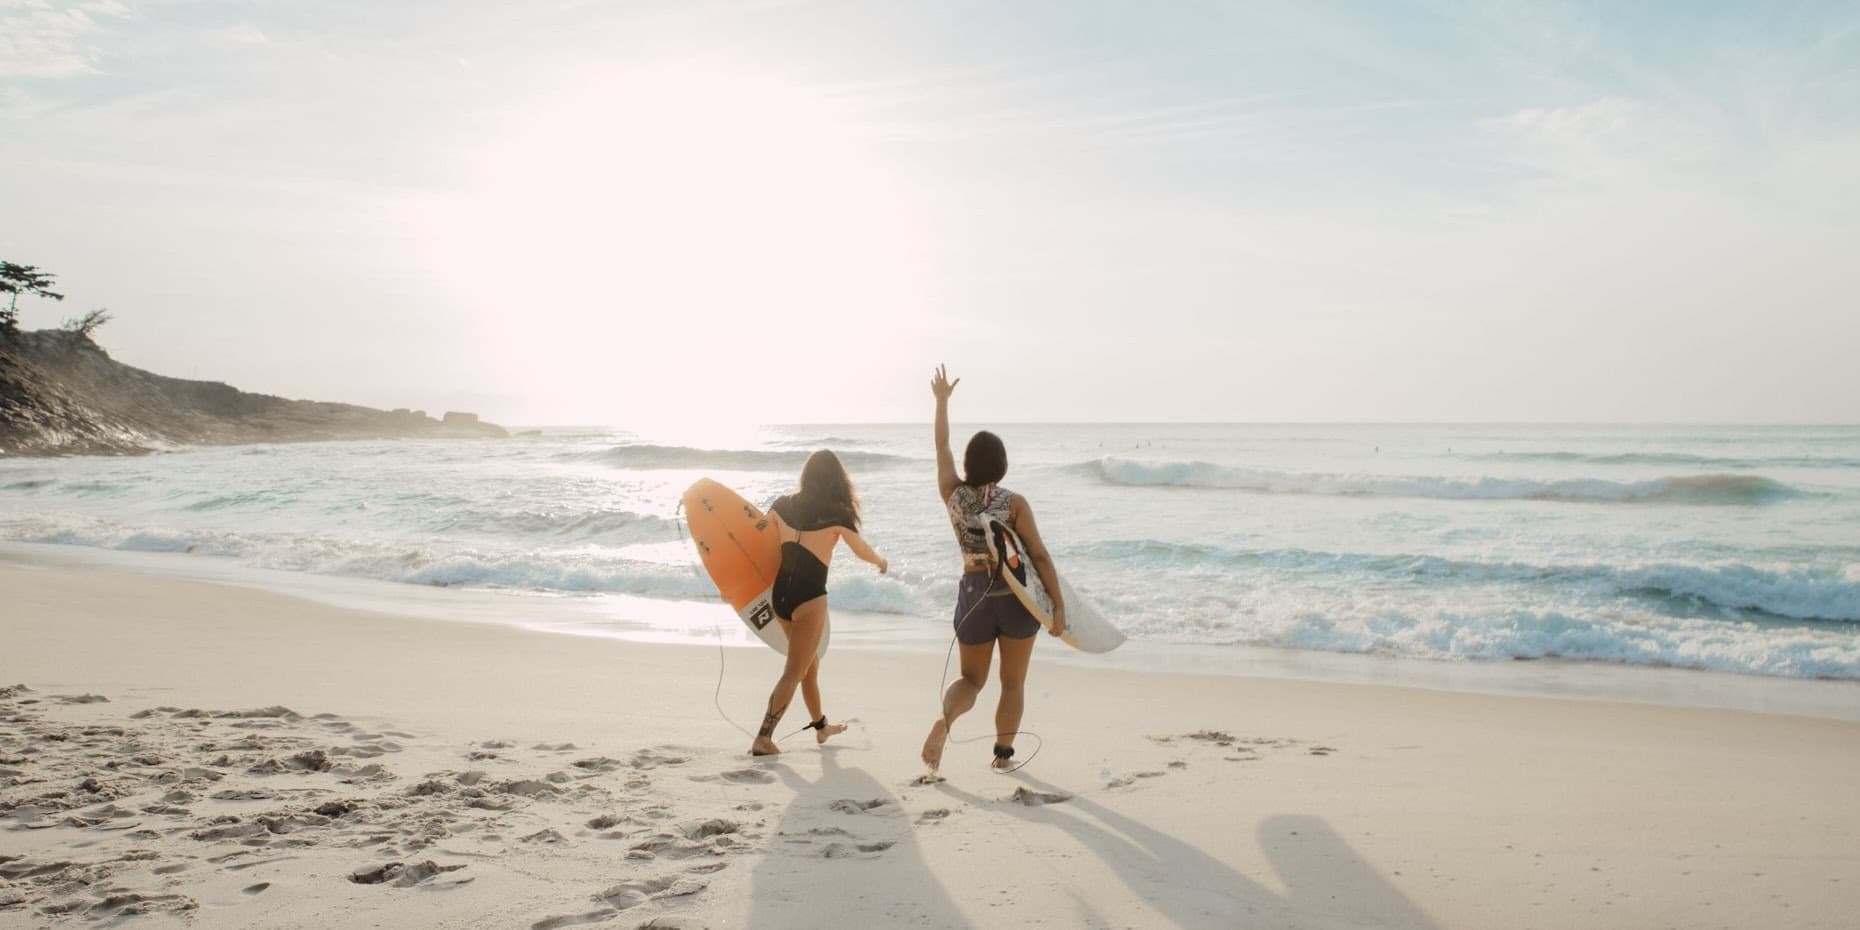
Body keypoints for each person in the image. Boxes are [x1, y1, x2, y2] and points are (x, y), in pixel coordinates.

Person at [921, 365, 1066, 772]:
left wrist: (942, 402)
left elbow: (941, 447)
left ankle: (944, 723)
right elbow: (1038, 555)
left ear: (968, 464)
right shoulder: (1014, 502)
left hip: (974, 594)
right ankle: (1003, 758)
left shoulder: (952, 494)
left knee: (972, 680)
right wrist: (1058, 605)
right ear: (1002, 464)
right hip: (1015, 596)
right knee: (1012, 682)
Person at [751, 450, 888, 756]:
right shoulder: (837, 514)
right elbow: (861, 549)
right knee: (794, 670)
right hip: (809, 598)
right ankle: (763, 736)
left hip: (781, 597)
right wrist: (881, 562)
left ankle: (821, 727)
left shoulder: (781, 505)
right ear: (836, 479)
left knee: (809, 665)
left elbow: (757, 536)